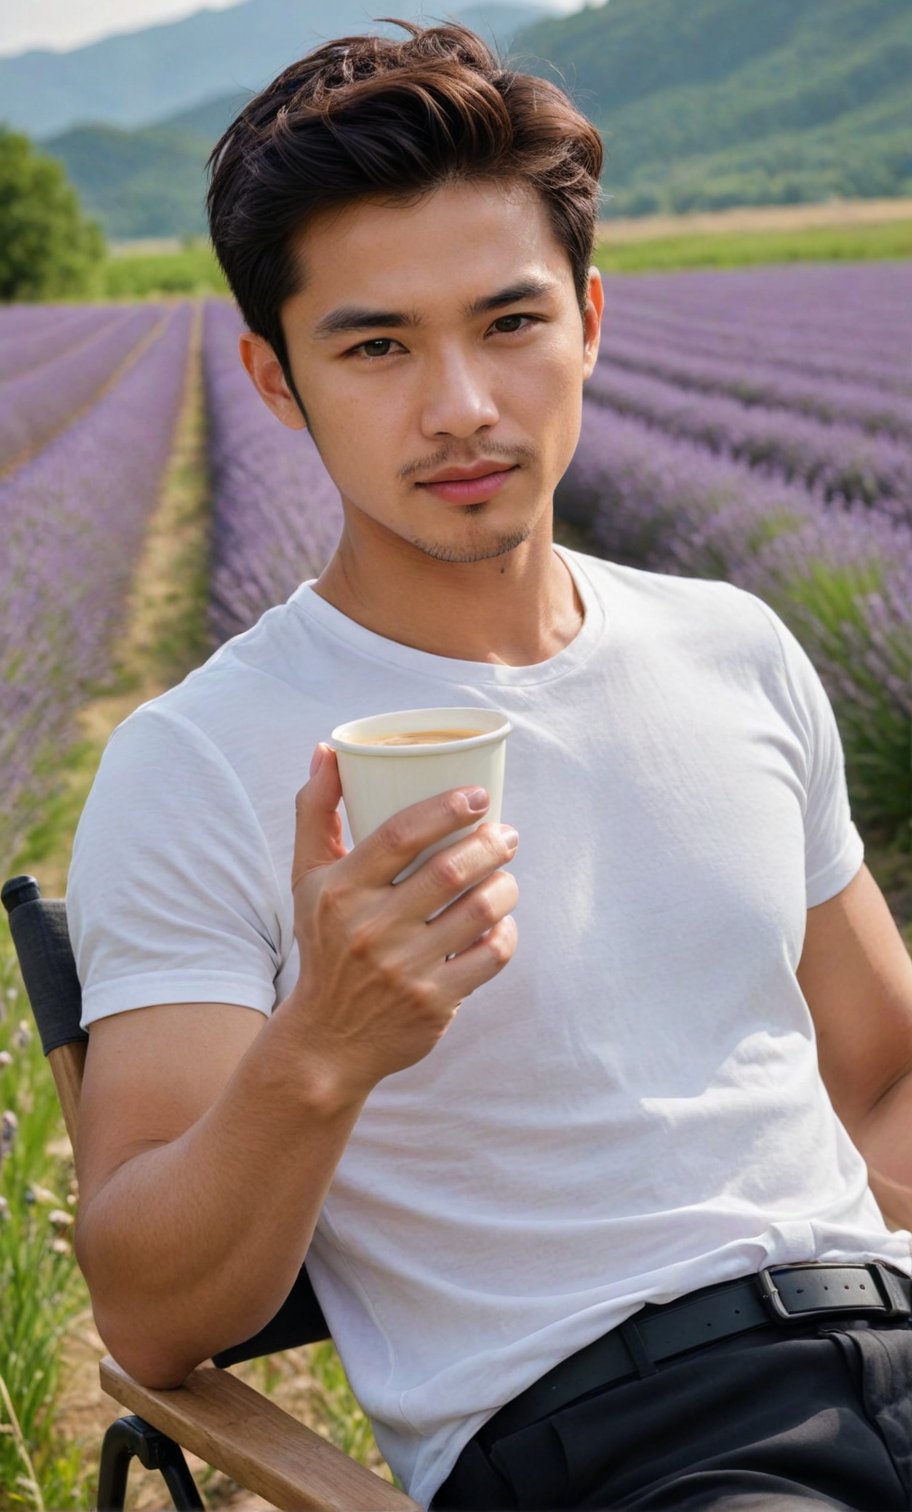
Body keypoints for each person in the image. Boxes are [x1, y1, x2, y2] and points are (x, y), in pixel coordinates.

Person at [68, 20, 912, 1511]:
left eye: (508, 323)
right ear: (276, 382)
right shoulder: (198, 761)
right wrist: (325, 1040)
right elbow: (149, 1310)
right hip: (627, 1440)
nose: (461, 403)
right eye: (378, 345)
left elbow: (884, 1072)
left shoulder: (735, 648)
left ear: (590, 318)